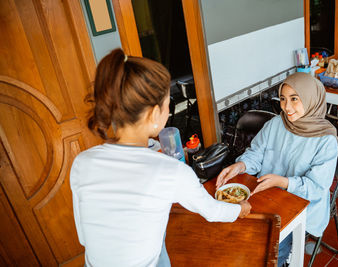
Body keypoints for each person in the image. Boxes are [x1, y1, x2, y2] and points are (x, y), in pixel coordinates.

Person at [70, 49, 251, 267]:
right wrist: (240, 209)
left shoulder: (82, 162)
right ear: (155, 114)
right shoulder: (171, 171)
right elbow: (212, 211)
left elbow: (84, 237)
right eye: (168, 104)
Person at [216, 72, 338, 266]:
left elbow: (317, 188)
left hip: (303, 204)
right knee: (237, 231)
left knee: (272, 247)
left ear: (311, 100)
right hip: (268, 194)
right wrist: (242, 165)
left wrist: (283, 182)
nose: (287, 107)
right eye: (283, 99)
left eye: (294, 99)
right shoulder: (276, 123)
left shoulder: (326, 141)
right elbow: (256, 153)